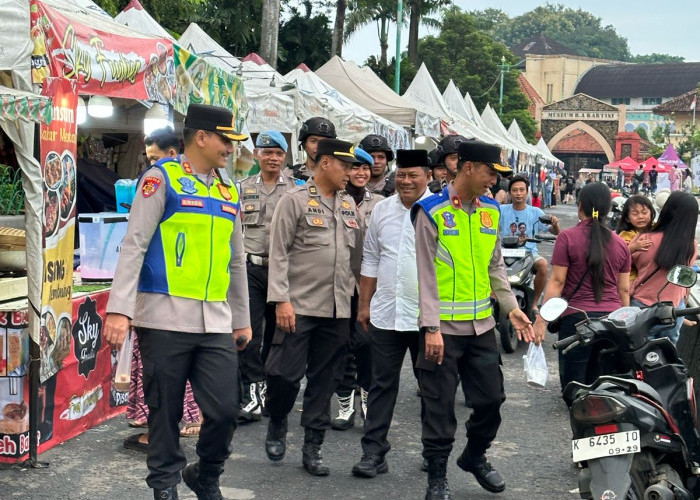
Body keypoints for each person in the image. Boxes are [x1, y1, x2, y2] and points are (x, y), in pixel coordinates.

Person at [104, 103, 252, 500]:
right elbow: (133, 244)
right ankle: (164, 484)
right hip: (163, 317)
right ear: (201, 137)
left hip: (216, 322)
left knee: (223, 411)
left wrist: (242, 318)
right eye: (225, 140)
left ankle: (205, 473)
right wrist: (119, 309)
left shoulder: (228, 188)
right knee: (164, 412)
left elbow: (235, 259)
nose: (230, 149)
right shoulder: (160, 179)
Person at [412, 139, 534, 499]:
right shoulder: (429, 210)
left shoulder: (491, 211)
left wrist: (511, 307)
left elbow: (495, 266)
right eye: (488, 173)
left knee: (491, 400)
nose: (493, 182)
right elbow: (425, 274)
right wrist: (430, 327)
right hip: (442, 331)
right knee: (439, 408)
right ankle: (437, 476)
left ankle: (474, 456)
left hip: (482, 326)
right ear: (468, 167)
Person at [264, 138, 364, 476]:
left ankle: (313, 446)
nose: (350, 173)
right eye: (346, 166)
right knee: (284, 375)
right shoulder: (294, 201)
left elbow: (358, 259)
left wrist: (362, 300)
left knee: (325, 379)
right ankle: (277, 419)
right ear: (325, 164)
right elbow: (277, 254)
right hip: (298, 306)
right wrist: (281, 300)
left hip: (337, 309)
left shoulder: (349, 205)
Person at [350, 149, 432, 478]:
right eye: (401, 175)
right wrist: (364, 305)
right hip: (385, 313)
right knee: (381, 384)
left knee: (432, 387)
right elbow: (370, 259)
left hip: (426, 318)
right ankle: (373, 452)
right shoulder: (382, 210)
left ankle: (433, 450)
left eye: (413, 175)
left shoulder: (440, 211)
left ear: (428, 176)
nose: (406, 181)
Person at [123, 127, 202, 454]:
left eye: (155, 158)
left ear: (173, 154)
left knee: (163, 367)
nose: (150, 165)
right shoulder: (203, 189)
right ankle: (169, 422)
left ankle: (165, 431)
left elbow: (137, 243)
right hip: (180, 292)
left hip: (165, 291)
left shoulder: (163, 186)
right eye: (148, 158)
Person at [533, 182, 630, 401]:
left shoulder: (567, 238)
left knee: (575, 389)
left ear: (579, 207)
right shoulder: (621, 243)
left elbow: (557, 282)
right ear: (608, 209)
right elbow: (623, 289)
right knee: (604, 389)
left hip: (576, 321)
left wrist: (541, 319)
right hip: (611, 321)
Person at [237, 130, 297, 423]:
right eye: (267, 152)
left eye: (279, 153)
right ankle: (251, 393)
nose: (273, 158)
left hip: (282, 271)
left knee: (278, 335)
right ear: (257, 155)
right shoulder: (242, 188)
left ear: (285, 157)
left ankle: (270, 389)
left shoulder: (297, 190)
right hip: (249, 268)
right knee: (248, 332)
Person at [331, 147, 384, 430]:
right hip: (340, 282)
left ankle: (366, 399)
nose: (361, 173)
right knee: (341, 345)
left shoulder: (382, 202)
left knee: (366, 345)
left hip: (370, 285)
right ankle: (344, 405)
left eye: (365, 168)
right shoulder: (334, 200)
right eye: (355, 168)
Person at [630, 191, 698, 344]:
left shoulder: (645, 240)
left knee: (639, 356)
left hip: (643, 307)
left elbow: (625, 266)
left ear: (665, 211)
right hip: (674, 310)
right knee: (666, 357)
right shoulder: (691, 246)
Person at [500, 175, 560, 312]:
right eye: (515, 190)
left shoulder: (536, 212)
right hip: (504, 252)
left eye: (521, 190)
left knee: (543, 265)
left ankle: (534, 303)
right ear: (509, 192)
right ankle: (493, 298)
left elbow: (554, 231)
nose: (518, 193)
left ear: (527, 192)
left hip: (529, 254)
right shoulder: (501, 210)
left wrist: (555, 223)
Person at [615, 195, 655, 282]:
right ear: (627, 218)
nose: (640, 217)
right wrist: (634, 247)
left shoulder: (656, 229)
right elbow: (618, 256)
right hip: (631, 278)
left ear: (651, 213)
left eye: (644, 212)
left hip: (651, 277)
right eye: (635, 214)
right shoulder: (625, 235)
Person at [284, 117, 337, 181]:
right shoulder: (290, 175)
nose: (319, 146)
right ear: (304, 144)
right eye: (313, 141)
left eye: (325, 142)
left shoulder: (340, 175)